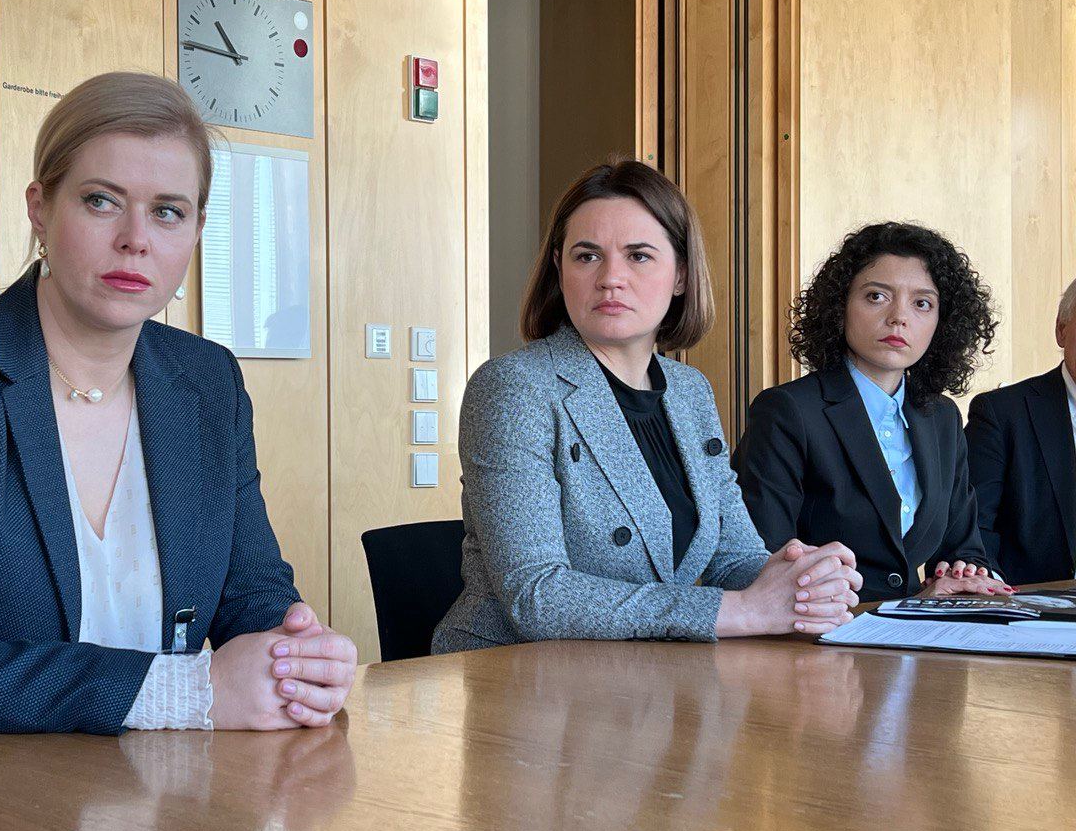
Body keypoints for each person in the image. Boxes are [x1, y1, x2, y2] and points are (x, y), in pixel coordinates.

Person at [0, 72, 356, 741]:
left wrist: (299, 659)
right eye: (101, 201)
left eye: (168, 212)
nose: (136, 238)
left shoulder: (208, 383)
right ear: (41, 209)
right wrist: (184, 692)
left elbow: (253, 596)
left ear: (197, 230)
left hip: (133, 783)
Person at [431, 160, 861, 654]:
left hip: (645, 669)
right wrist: (741, 610)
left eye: (638, 256)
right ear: (559, 270)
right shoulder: (513, 387)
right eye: (587, 256)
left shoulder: (689, 391)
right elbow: (537, 595)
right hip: (513, 674)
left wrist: (800, 581)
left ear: (681, 275)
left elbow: (732, 557)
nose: (610, 278)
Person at [735, 222, 1014, 603]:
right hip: (816, 627)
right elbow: (761, 561)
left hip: (918, 630)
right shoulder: (787, 411)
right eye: (876, 296)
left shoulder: (942, 417)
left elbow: (963, 547)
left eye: (922, 303)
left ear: (943, 323)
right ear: (840, 306)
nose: (899, 317)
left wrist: (962, 573)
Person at [965, 277, 1076, 585]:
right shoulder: (1001, 413)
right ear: (1061, 330)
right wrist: (990, 584)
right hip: (1033, 604)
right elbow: (971, 529)